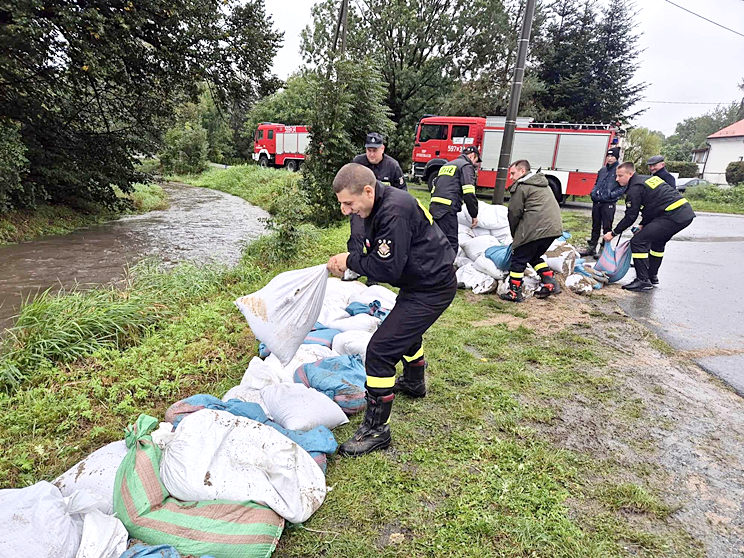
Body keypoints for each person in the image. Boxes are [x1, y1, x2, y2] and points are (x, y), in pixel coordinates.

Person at [327, 163, 456, 456]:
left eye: (348, 203)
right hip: (421, 281)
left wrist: (350, 262)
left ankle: (376, 430)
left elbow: (386, 267)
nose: (346, 210)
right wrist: (353, 258)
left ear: (368, 191)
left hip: (432, 287)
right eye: (342, 204)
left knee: (380, 351)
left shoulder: (393, 211)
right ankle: (413, 382)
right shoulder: (379, 205)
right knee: (403, 330)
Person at [603, 162, 695, 291]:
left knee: (638, 241)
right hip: (684, 213)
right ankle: (652, 276)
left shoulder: (634, 188)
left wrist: (613, 233)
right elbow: (652, 205)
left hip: (672, 215)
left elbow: (630, 216)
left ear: (630, 174)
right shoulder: (646, 180)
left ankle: (642, 280)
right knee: (657, 243)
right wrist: (643, 225)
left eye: (620, 176)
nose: (617, 179)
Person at [500, 160, 564, 302]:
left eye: (513, 173)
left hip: (536, 228)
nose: (511, 177)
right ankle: (550, 283)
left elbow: (514, 212)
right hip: (553, 228)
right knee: (534, 256)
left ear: (522, 172)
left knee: (518, 259)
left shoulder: (522, 186)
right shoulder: (542, 184)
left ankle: (514, 292)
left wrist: (516, 235)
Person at [348, 132, 407, 257]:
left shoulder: (392, 166)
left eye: (375, 150)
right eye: (369, 150)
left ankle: (377, 263)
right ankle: (354, 265)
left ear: (382, 149)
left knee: (380, 237)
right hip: (361, 207)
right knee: (357, 234)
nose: (371, 154)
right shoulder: (358, 163)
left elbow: (402, 192)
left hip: (383, 209)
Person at [428, 146, 481, 254]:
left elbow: (435, 187)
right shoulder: (466, 166)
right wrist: (474, 214)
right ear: (472, 156)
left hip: (434, 208)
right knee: (450, 244)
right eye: (476, 161)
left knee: (436, 241)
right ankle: (447, 270)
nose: (475, 164)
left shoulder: (446, 165)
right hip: (447, 209)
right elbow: (469, 192)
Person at [580, 147, 625, 258]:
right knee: (595, 225)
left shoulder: (619, 171)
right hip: (597, 202)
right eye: (608, 156)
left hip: (608, 203)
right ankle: (591, 247)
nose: (609, 158)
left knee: (607, 227)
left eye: (612, 156)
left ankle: (604, 249)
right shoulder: (602, 170)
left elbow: (623, 187)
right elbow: (596, 183)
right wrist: (593, 192)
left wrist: (611, 195)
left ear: (616, 158)